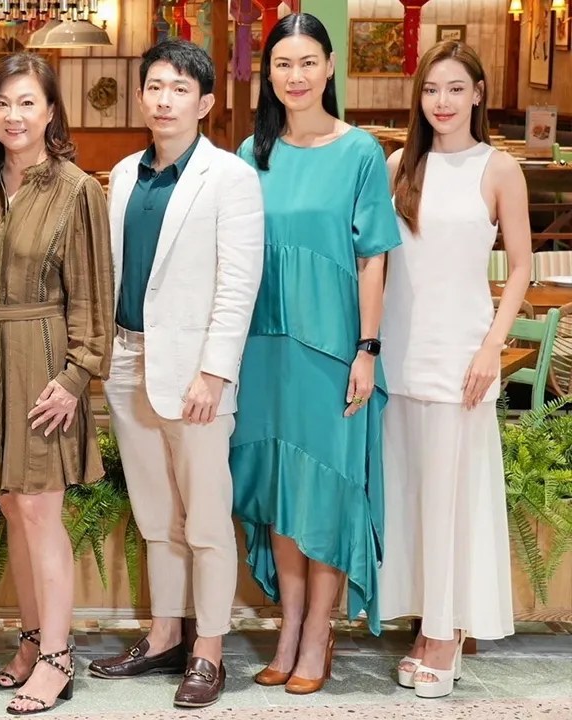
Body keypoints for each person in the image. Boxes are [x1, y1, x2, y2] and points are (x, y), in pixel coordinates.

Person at [87, 39, 263, 709]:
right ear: (141, 96)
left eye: (180, 89)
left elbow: (239, 285)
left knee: (206, 518)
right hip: (128, 360)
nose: (164, 100)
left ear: (206, 102)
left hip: (195, 374)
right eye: (155, 87)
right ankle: (164, 636)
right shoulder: (125, 173)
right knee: (156, 515)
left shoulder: (230, 177)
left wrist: (214, 373)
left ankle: (208, 650)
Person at [230, 12, 401, 695]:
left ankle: (317, 634)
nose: (295, 76)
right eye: (282, 64)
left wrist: (367, 349)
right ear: (267, 73)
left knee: (325, 487)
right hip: (261, 347)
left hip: (332, 350)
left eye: (307, 62)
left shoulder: (360, 151)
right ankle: (290, 626)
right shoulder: (252, 152)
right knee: (279, 486)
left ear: (330, 67)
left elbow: (372, 259)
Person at [0, 52, 113, 716]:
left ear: (50, 112)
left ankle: (57, 658)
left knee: (42, 512)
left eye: (27, 102)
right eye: (2, 103)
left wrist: (76, 376)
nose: (13, 116)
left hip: (44, 366)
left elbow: (94, 297)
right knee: (12, 507)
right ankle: (30, 640)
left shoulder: (78, 190)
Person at [379, 40, 527, 699]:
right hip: (399, 352)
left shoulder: (499, 168)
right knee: (412, 495)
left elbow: (520, 267)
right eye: (432, 89)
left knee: (452, 498)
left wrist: (493, 344)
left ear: (477, 94)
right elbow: (378, 263)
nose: (442, 101)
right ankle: (426, 625)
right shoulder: (397, 166)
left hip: (462, 355)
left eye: (455, 88)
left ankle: (446, 634)